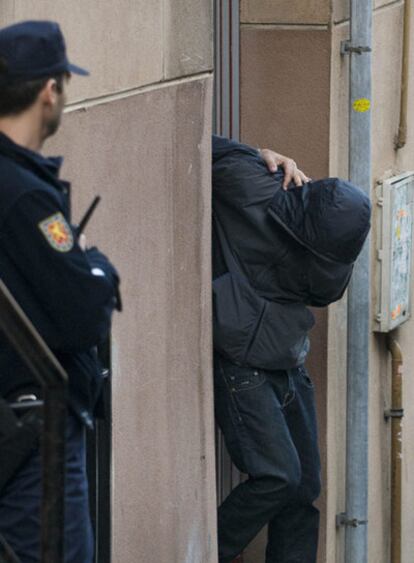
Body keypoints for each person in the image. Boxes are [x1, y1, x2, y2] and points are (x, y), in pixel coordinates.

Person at [212, 135, 371, 562]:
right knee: (278, 475)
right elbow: (198, 144)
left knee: (304, 489)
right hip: (240, 361)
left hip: (286, 358)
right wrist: (258, 153)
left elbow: (325, 292)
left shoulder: (331, 259)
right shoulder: (253, 187)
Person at [0, 21, 120, 563]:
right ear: (51, 89)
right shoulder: (24, 194)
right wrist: (94, 263)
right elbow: (83, 314)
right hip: (32, 431)